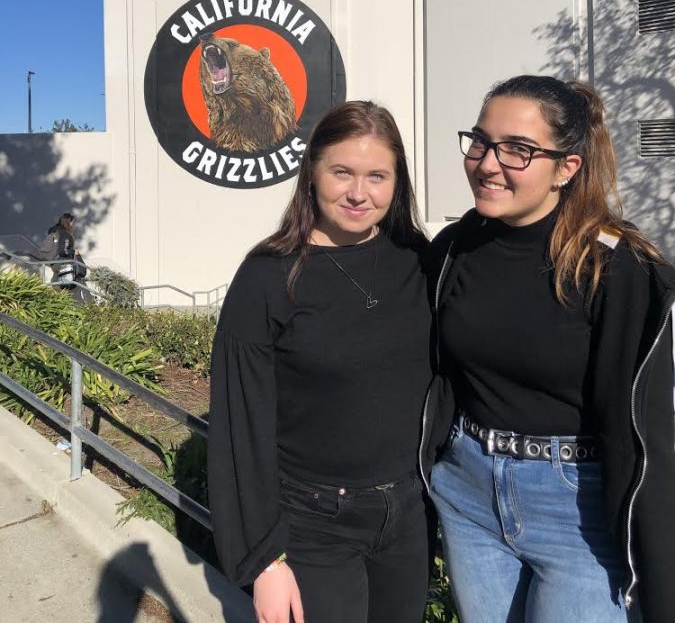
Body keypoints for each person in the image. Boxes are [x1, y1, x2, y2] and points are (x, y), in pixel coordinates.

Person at [421, 75, 675, 623]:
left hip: (576, 511)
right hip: (468, 493)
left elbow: (650, 431)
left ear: (567, 167)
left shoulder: (616, 267)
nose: (488, 163)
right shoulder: (455, 248)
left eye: (518, 150)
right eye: (481, 141)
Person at [208, 101, 434, 623]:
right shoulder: (269, 275)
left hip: (407, 514)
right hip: (312, 522)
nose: (359, 193)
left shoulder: (419, 261)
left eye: (377, 176)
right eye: (342, 172)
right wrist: (263, 560)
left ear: (397, 183)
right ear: (312, 173)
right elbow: (239, 425)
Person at [42, 212, 87, 284]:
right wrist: (74, 252)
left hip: (53, 262)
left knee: (61, 282)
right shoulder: (65, 234)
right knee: (69, 282)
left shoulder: (55, 231)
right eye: (72, 222)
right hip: (62, 262)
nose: (73, 225)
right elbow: (63, 251)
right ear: (68, 222)